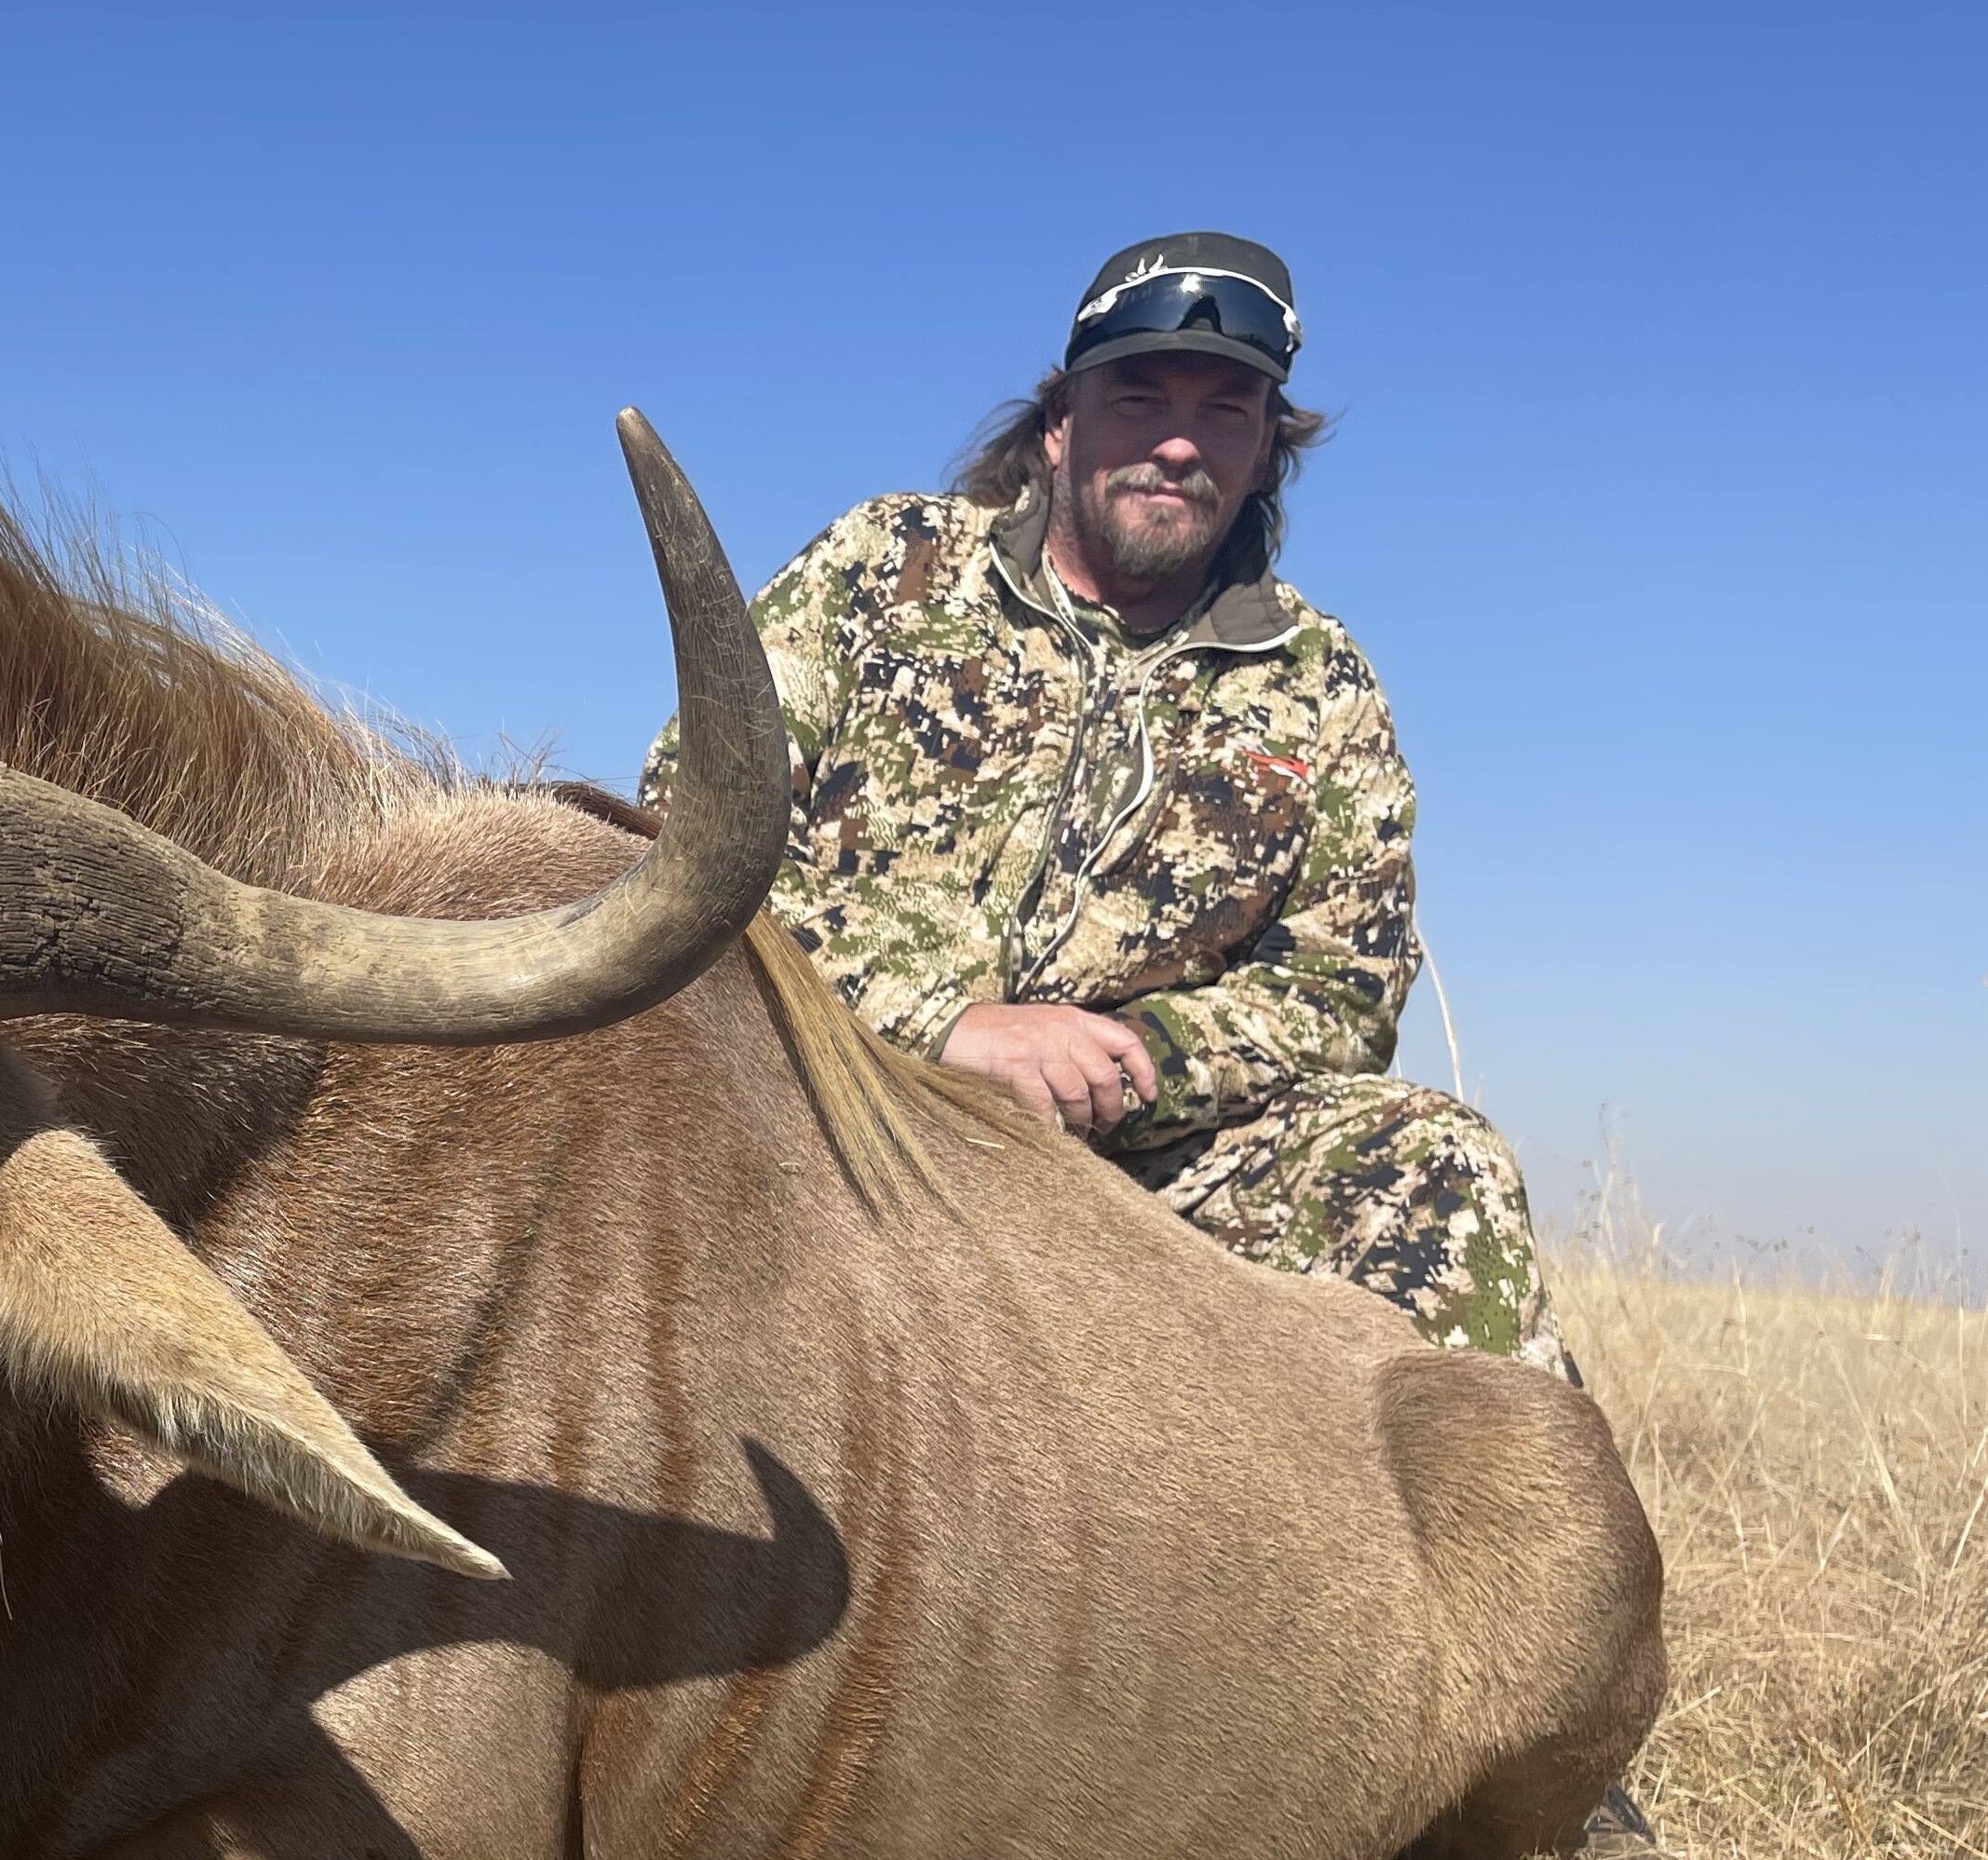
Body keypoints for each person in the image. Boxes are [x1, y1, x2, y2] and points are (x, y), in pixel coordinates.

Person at [643, 234, 1565, 1376]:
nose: (1179, 444)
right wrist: (942, 1023)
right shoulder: (887, 564)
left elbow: (1344, 990)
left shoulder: (1323, 686)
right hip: (819, 1100)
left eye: (1226, 413)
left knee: (1438, 1161)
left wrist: (1129, 1065)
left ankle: (1511, 1549)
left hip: (1126, 1171)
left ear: (1267, 451)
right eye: (1138, 399)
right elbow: (691, 826)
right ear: (1058, 425)